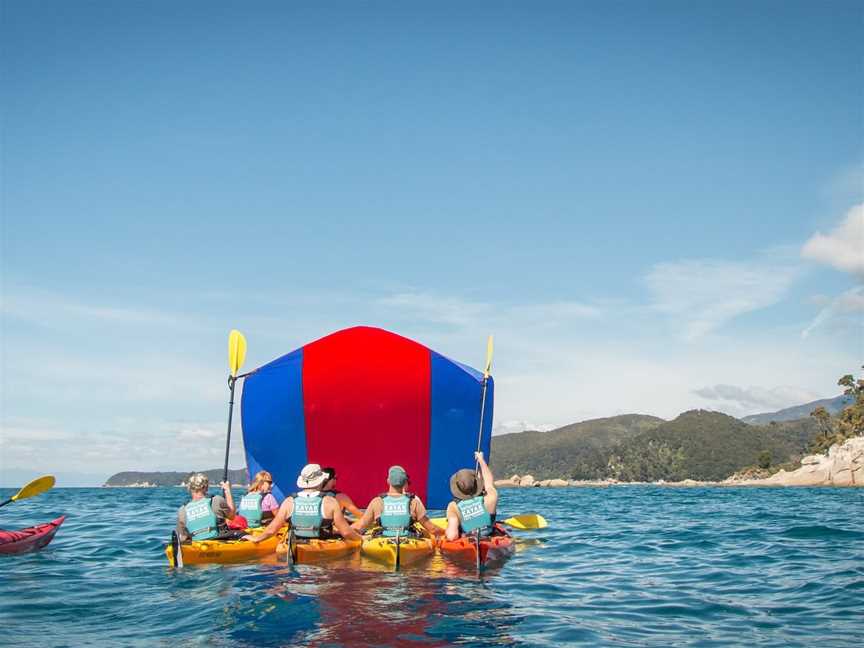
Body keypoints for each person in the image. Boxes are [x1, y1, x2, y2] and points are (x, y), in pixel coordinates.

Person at [245, 463, 361, 544]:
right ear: (321, 480)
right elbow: (346, 532)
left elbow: (272, 530)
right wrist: (361, 539)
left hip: (297, 542)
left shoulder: (289, 501)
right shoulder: (330, 502)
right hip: (322, 545)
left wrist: (257, 539)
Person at [352, 466, 443, 538]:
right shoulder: (414, 502)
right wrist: (446, 532)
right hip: (408, 540)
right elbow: (432, 529)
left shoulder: (377, 502)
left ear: (388, 481)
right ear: (405, 483)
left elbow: (360, 525)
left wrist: (343, 531)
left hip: (384, 540)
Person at [445, 451, 499, 541]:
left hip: (468, 541)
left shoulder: (453, 507)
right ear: (477, 485)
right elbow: (489, 482)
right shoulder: (490, 497)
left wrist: (446, 532)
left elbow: (452, 536)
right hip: (488, 538)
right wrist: (481, 460)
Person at [176, 473, 240, 542]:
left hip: (197, 546)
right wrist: (227, 490)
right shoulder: (216, 500)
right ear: (206, 487)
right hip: (220, 542)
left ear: (189, 489)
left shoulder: (182, 510)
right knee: (242, 534)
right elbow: (232, 516)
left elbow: (183, 538)